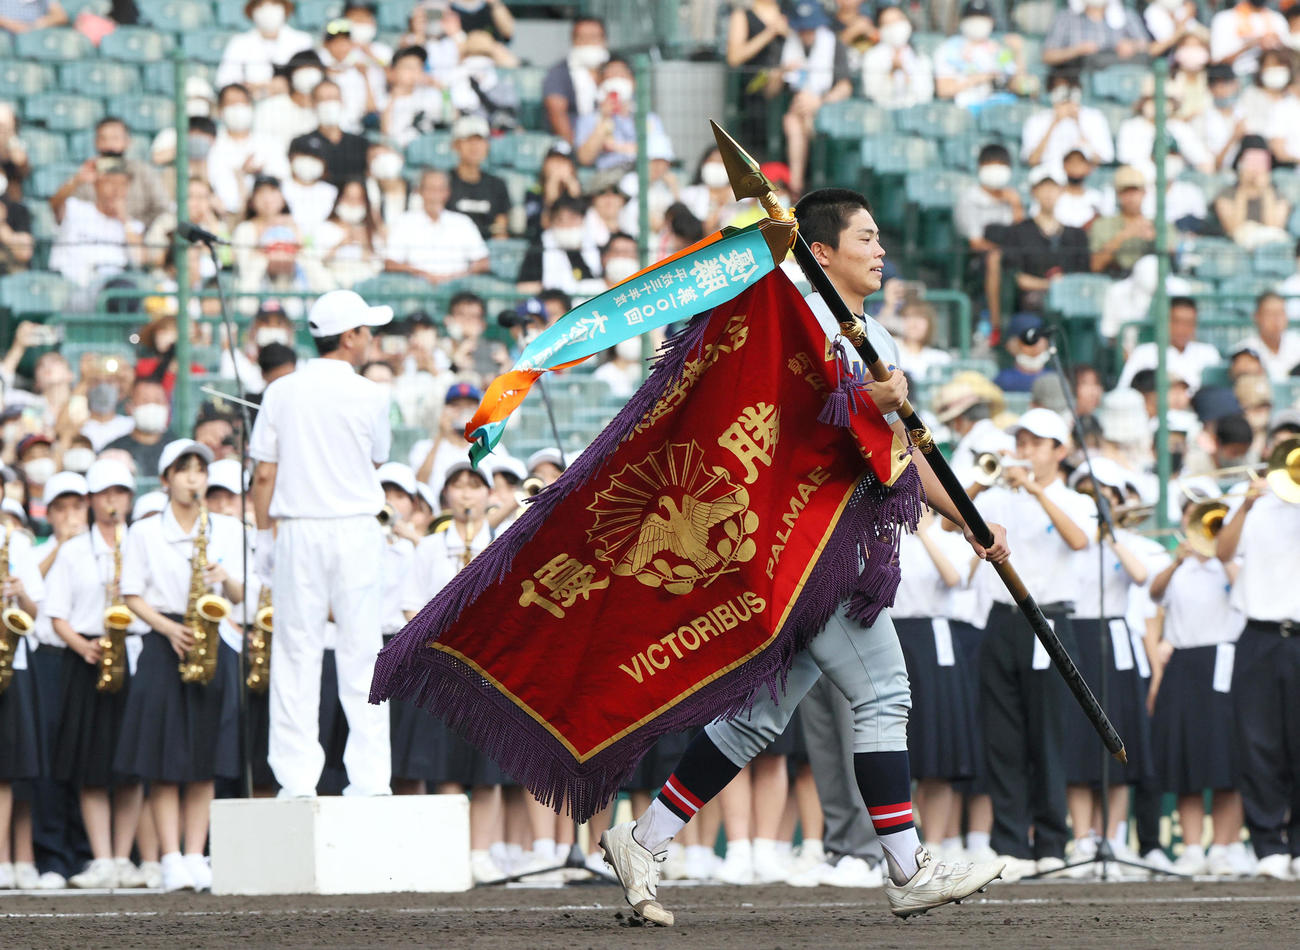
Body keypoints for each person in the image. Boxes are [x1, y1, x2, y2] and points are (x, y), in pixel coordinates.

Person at [599, 188, 1011, 926]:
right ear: (821, 253)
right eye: (866, 237)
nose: (881, 249)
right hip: (800, 548)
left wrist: (967, 520)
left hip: (825, 543)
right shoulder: (785, 325)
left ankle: (642, 838)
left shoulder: (873, 339)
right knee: (883, 695)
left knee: (760, 716)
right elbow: (802, 431)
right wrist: (871, 405)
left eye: (881, 236)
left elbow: (901, 452)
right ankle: (907, 866)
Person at [250, 289, 393, 799]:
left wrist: (264, 537)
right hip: (353, 525)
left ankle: (296, 781)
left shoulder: (281, 391)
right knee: (363, 653)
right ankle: (372, 779)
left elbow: (264, 474)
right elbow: (375, 460)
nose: (371, 339)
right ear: (350, 336)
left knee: (296, 653)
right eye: (367, 330)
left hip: (300, 528)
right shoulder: (372, 395)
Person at [115, 440, 245, 892]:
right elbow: (131, 594)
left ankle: (195, 852)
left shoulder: (226, 528)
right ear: (166, 479)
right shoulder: (144, 532)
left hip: (211, 636)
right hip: (164, 637)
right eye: (184, 470)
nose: (194, 479)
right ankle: (169, 855)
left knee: (205, 757)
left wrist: (223, 576)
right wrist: (168, 630)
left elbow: (241, 595)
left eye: (200, 470)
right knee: (162, 756)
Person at [968, 408, 1092, 876]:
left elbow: (1080, 540)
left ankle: (1053, 842)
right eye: (1021, 441)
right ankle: (1010, 842)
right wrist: (982, 479)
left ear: (1059, 451)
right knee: (1003, 736)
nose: (1025, 450)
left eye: (1037, 443)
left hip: (1050, 622)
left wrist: (1037, 490)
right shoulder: (1001, 494)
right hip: (1003, 619)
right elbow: (945, 525)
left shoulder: (1072, 496)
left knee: (1048, 736)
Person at [46, 460, 146, 889]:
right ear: (91, 501)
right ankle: (102, 857)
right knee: (90, 764)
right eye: (105, 494)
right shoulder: (72, 550)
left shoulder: (139, 543)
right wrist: (83, 645)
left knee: (130, 764)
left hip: (134, 655)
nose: (112, 502)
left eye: (120, 493)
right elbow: (56, 614)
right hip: (86, 656)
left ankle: (124, 857)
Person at [1147, 487, 1251, 876]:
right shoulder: (1178, 565)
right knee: (1186, 762)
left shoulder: (1234, 561)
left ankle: (1223, 846)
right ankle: (1192, 848)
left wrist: (1221, 552)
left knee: (1229, 761)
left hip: (1225, 660)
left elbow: (1245, 591)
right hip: (1184, 664)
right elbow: (1154, 594)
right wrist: (1177, 562)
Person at [1215, 427, 1300, 881]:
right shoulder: (1251, 503)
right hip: (1259, 636)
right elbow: (1221, 550)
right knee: (1258, 744)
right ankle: (1267, 844)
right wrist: (1246, 503)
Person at [0, 495, 45, 891]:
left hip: (11, 660)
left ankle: (9, 859)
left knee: (11, 767)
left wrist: (19, 592)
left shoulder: (16, 543)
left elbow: (34, 612)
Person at [995, 165, 1090, 315]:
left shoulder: (1077, 235)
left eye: (1053, 188)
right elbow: (1018, 278)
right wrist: (1051, 285)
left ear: (1061, 191)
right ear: (1034, 192)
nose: (1049, 193)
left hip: (1073, 306)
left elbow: (1083, 275)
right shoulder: (1018, 231)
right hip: (1031, 308)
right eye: (1043, 188)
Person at [783, 0, 853, 195]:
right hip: (799, 111)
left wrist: (819, 102)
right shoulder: (788, 44)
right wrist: (781, 71)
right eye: (802, 28)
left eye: (810, 28)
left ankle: (800, 185)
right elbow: (771, 89)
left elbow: (845, 87)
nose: (806, 33)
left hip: (829, 108)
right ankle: (797, 185)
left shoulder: (834, 43)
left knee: (799, 116)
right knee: (793, 119)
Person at [48, 158, 145, 296]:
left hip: (109, 292)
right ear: (97, 185)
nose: (116, 190)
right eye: (110, 183)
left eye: (123, 184)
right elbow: (54, 204)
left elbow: (140, 261)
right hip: (68, 286)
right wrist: (76, 181)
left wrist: (124, 220)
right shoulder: (75, 207)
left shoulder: (131, 225)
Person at [385, 168, 489, 286]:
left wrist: (457, 276)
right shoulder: (404, 222)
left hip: (458, 286)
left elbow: (483, 262)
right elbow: (390, 263)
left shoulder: (463, 222)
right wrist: (423, 274)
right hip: (416, 287)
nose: (435, 195)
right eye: (430, 189)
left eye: (440, 190)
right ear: (419, 191)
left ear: (447, 192)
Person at [574, 58, 674, 172]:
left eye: (621, 75)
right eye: (610, 77)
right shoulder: (589, 119)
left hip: (644, 174)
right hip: (610, 177)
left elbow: (660, 153)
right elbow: (585, 158)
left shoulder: (649, 118)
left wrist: (618, 147)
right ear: (601, 85)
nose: (616, 81)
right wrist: (604, 118)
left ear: (633, 82)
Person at [933, 0, 1029, 108]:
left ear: (991, 21)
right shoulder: (948, 49)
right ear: (962, 21)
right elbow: (944, 90)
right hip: (964, 110)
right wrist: (981, 78)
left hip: (998, 106)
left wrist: (1018, 53)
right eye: (972, 17)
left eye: (982, 16)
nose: (977, 21)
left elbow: (1019, 86)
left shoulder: (998, 50)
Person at [1116, 296, 1224, 392]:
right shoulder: (1143, 353)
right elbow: (1124, 391)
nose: (1183, 329)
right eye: (1177, 321)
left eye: (1189, 323)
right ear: (1165, 321)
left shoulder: (1209, 352)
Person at [724, 0, 790, 148]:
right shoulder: (743, 15)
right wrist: (770, 32)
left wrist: (788, 31)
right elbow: (734, 58)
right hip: (755, 88)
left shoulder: (788, 11)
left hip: (788, 87)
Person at [1089, 165, 1174, 278]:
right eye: (1126, 192)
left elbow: (1172, 255)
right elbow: (1096, 265)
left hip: (1156, 280)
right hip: (1119, 279)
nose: (1131, 197)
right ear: (1118, 194)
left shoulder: (1158, 223)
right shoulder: (1103, 224)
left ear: (1144, 192)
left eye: (1135, 191)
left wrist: (1155, 237)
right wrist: (1123, 235)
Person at [1021, 69, 1114, 169]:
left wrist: (1078, 123)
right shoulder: (1037, 120)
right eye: (1060, 90)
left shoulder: (1095, 117)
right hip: (1048, 174)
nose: (1066, 95)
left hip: (1080, 177)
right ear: (1051, 92)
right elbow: (1033, 160)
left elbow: (1103, 158)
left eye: (1070, 89)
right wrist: (1054, 122)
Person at [216, 0, 313, 94]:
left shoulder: (303, 41)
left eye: (275, 3)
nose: (268, 10)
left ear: (285, 9)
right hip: (252, 105)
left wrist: (287, 85)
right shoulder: (238, 43)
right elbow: (224, 81)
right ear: (253, 11)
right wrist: (258, 87)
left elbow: (312, 78)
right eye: (260, 5)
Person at [542, 16, 610, 145]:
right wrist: (578, 152)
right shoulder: (558, 73)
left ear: (604, 40)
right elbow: (557, 113)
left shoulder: (615, 68)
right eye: (582, 38)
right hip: (577, 144)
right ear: (573, 40)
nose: (588, 42)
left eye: (593, 37)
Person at [1214, 136, 1291, 249]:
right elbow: (1234, 229)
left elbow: (1274, 227)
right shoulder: (1226, 193)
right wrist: (1243, 189)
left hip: (1269, 248)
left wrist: (1265, 190)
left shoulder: (1278, 194)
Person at [291, 79, 370, 186]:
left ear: (341, 101)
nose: (329, 104)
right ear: (313, 103)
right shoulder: (301, 144)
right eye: (322, 99)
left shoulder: (360, 143)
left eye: (333, 98)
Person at [448, 115, 510, 240]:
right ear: (455, 145)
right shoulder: (443, 182)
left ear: (487, 146)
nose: (474, 146)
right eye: (468, 140)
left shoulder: (497, 185)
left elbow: (500, 231)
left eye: (480, 140)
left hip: (487, 253)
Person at [1043, 0, 1151, 71]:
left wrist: (1133, 46)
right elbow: (1048, 56)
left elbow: (1148, 46)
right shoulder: (1066, 17)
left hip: (1121, 84)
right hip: (1081, 84)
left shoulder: (1126, 15)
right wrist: (1076, 51)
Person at [104, 377, 175, 477]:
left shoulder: (175, 448)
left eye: (158, 401)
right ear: (129, 407)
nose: (152, 406)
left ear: (167, 406)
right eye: (145, 401)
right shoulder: (114, 451)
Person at [1210, 0, 1287, 78]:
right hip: (1236, 76)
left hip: (1270, 76)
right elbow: (1218, 61)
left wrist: (1277, 45)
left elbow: (1289, 57)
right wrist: (1252, 44)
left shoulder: (1278, 19)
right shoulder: (1224, 18)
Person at [1237, 291, 1300, 382]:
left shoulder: (1297, 343)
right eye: (1270, 314)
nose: (1276, 319)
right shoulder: (1245, 348)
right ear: (1257, 316)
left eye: (1280, 313)